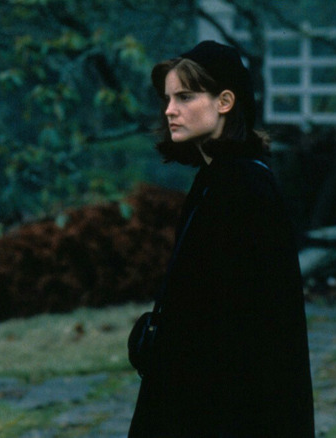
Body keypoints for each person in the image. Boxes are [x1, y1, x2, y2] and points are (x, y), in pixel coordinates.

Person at [127, 41, 315, 437]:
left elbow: (247, 329)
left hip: (223, 410)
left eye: (185, 96)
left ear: (225, 101)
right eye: (168, 99)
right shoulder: (217, 180)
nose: (169, 110)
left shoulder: (244, 189)